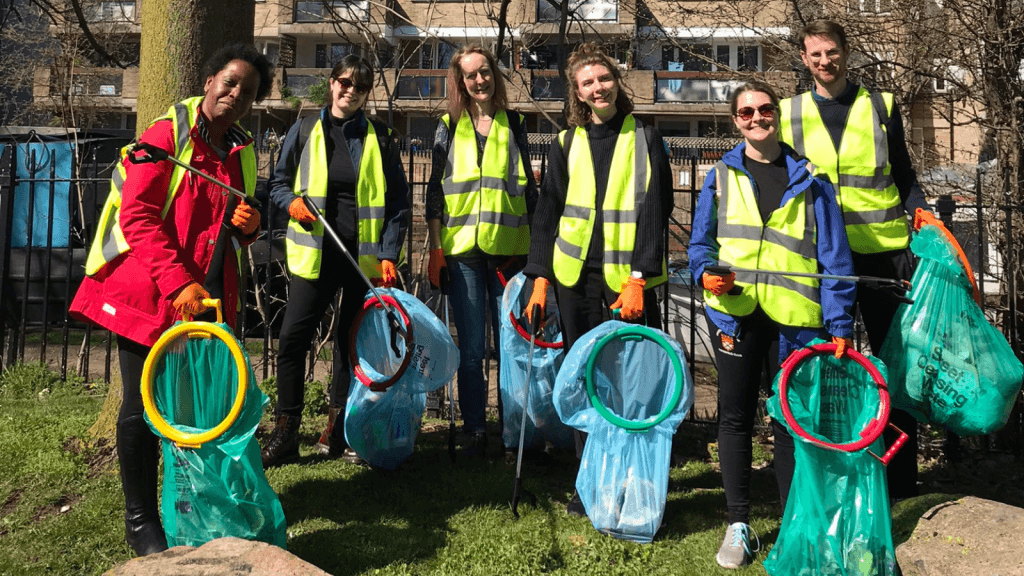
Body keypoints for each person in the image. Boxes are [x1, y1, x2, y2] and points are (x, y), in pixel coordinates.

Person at [69, 44, 273, 556]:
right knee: (141, 407)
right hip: (147, 290)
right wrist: (179, 282)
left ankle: (188, 507)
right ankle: (139, 521)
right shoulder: (166, 135)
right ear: (208, 82)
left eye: (246, 92)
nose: (235, 95)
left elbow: (227, 221)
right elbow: (136, 216)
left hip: (201, 298)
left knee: (189, 408)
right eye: (229, 82)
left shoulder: (241, 150)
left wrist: (250, 227)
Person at [688, 81, 857, 569]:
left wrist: (840, 320)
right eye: (746, 112)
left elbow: (835, 259)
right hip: (736, 315)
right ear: (734, 120)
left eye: (764, 110)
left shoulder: (812, 179)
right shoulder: (719, 176)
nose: (756, 118)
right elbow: (701, 247)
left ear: (777, 115)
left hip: (795, 323)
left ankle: (791, 527)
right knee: (735, 418)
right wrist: (705, 273)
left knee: (789, 422)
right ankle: (738, 523)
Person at [779, 19, 940, 507]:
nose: (824, 61)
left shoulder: (881, 105)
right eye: (814, 55)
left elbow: (904, 173)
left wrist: (923, 211)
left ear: (846, 53)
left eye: (831, 52)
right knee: (826, 368)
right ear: (804, 59)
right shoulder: (787, 113)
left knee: (894, 370)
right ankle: (834, 474)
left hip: (884, 256)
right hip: (820, 261)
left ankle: (899, 485)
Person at [522, 42, 672, 515]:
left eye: (603, 79)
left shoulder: (645, 138)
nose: (597, 87)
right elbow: (547, 214)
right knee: (584, 376)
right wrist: (540, 278)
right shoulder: (565, 143)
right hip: (573, 278)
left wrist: (640, 278)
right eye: (587, 83)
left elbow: (655, 209)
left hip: (626, 281)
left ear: (615, 82)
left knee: (629, 382)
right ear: (578, 93)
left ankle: (631, 477)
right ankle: (589, 477)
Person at [261, 55, 410, 468]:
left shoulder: (380, 137)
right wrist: (290, 203)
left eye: (360, 88)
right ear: (331, 83)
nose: (350, 92)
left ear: (366, 94)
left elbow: (397, 201)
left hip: (361, 261)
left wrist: (388, 254)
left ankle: (337, 429)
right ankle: (287, 430)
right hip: (315, 256)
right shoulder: (306, 129)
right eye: (345, 83)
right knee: (293, 339)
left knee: (350, 345)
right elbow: (277, 183)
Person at [424, 43, 537, 457]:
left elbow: (530, 191)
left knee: (510, 350)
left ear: (494, 74)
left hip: (509, 253)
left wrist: (538, 257)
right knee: (472, 351)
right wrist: (436, 249)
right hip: (463, 252)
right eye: (470, 74)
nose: (479, 80)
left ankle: (511, 434)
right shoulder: (448, 126)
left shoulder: (516, 124)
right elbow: (434, 192)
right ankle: (475, 430)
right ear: (461, 82)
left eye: (484, 71)